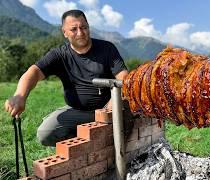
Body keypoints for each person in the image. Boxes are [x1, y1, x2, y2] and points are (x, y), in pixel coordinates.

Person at [4, 9, 128, 146]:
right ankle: (84, 147)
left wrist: (110, 108)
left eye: (84, 27)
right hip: (77, 111)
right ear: (64, 33)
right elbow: (33, 72)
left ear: (88, 27)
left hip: (108, 109)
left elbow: (123, 77)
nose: (80, 33)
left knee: (119, 134)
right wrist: (20, 95)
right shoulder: (59, 55)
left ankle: (102, 145)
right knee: (45, 133)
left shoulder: (107, 48)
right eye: (74, 29)